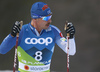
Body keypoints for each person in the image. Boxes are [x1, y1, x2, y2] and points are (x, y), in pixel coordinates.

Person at [0, 2, 76, 72]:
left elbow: (71, 52)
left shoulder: (53, 31)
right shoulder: (22, 30)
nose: (50, 21)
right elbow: (2, 50)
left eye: (50, 16)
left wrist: (71, 37)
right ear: (35, 18)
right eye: (46, 18)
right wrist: (12, 35)